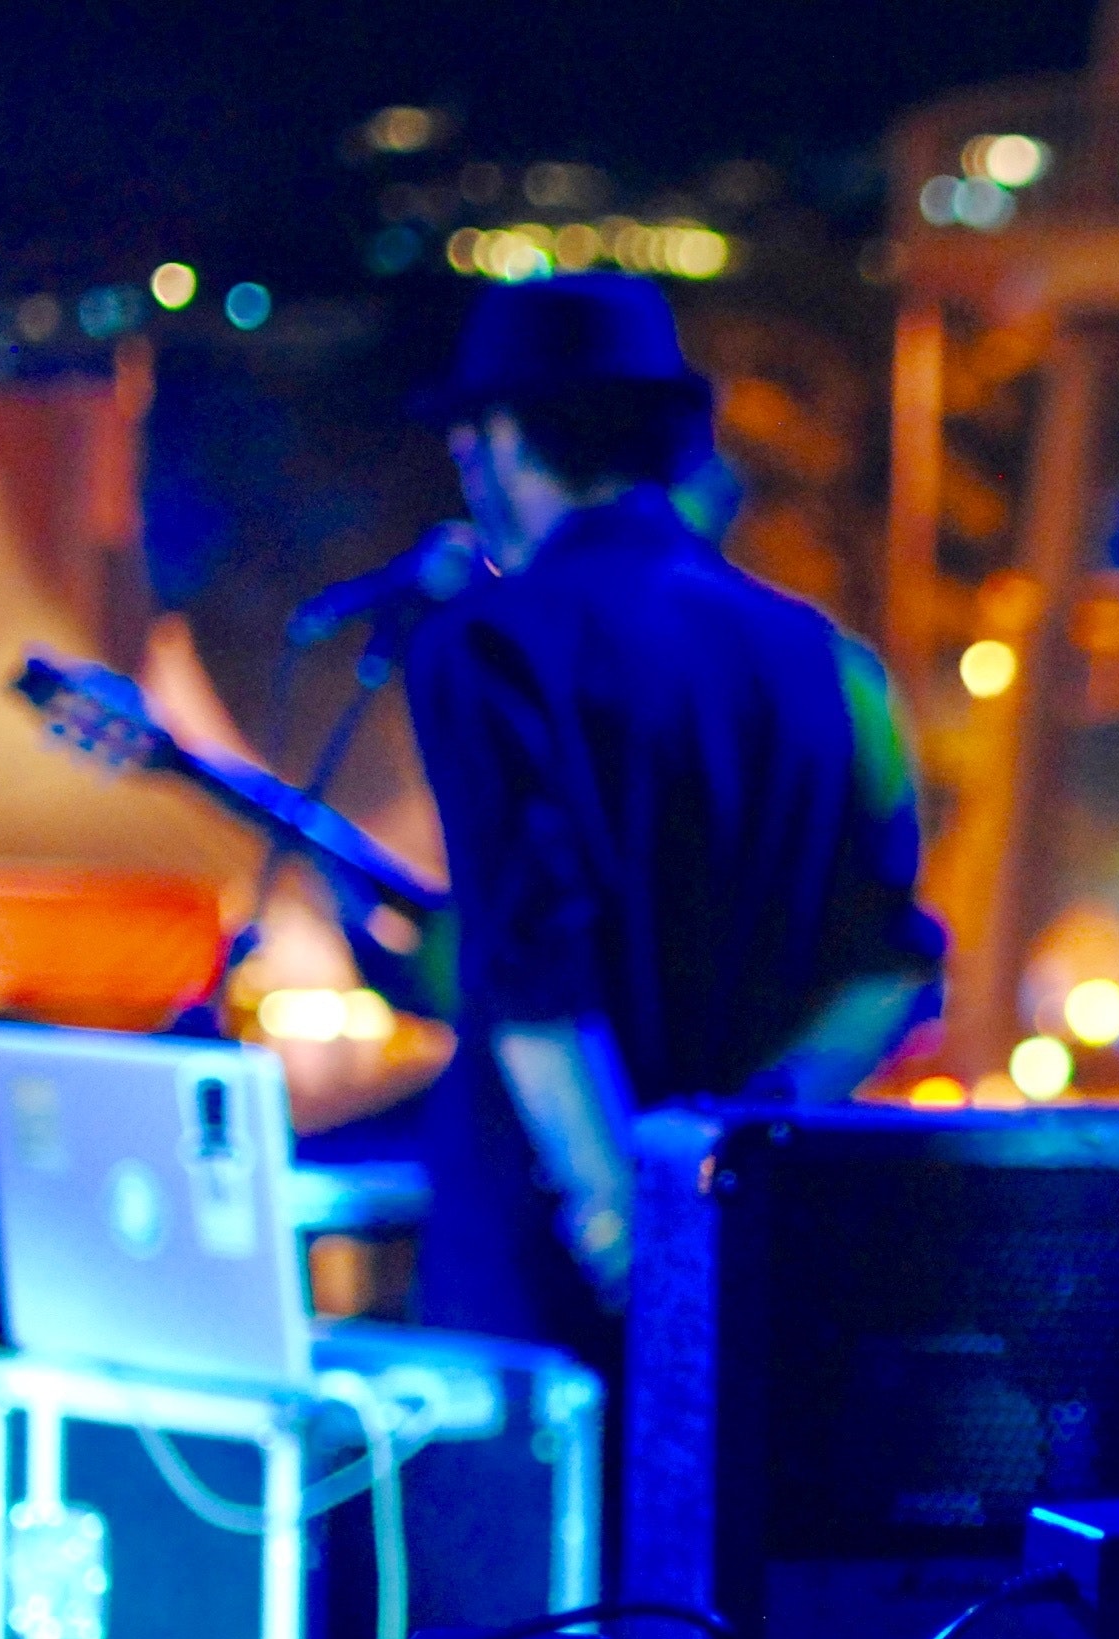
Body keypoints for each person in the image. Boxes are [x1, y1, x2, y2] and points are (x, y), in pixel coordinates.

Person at [402, 275, 939, 1374]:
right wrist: (731, 1157)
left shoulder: (487, 644)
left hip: (540, 1277)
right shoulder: (830, 660)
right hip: (757, 1250)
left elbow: (536, 975)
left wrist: (625, 1230)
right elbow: (892, 970)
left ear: (501, 443)